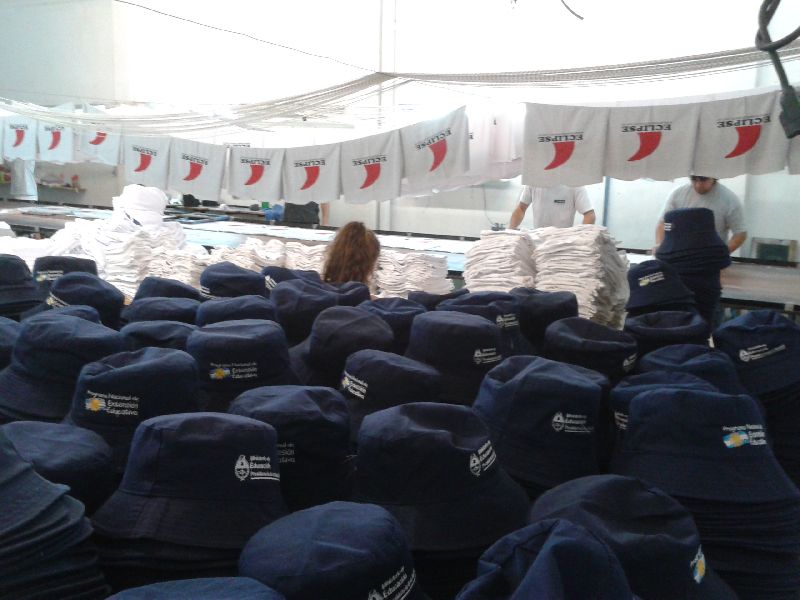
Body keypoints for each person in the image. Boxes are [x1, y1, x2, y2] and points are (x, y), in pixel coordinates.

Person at [655, 176, 747, 254]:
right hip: (679, 255)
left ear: (714, 177)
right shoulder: (677, 194)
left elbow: (740, 234)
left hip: (710, 257)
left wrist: (722, 254)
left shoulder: (729, 199)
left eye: (703, 180)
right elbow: (663, 223)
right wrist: (660, 246)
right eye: (694, 179)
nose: (698, 185)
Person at [509, 184, 595, 230]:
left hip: (563, 244)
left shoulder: (575, 184)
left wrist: (581, 239)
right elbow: (521, 208)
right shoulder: (534, 182)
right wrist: (510, 231)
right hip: (538, 240)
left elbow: (590, 215)